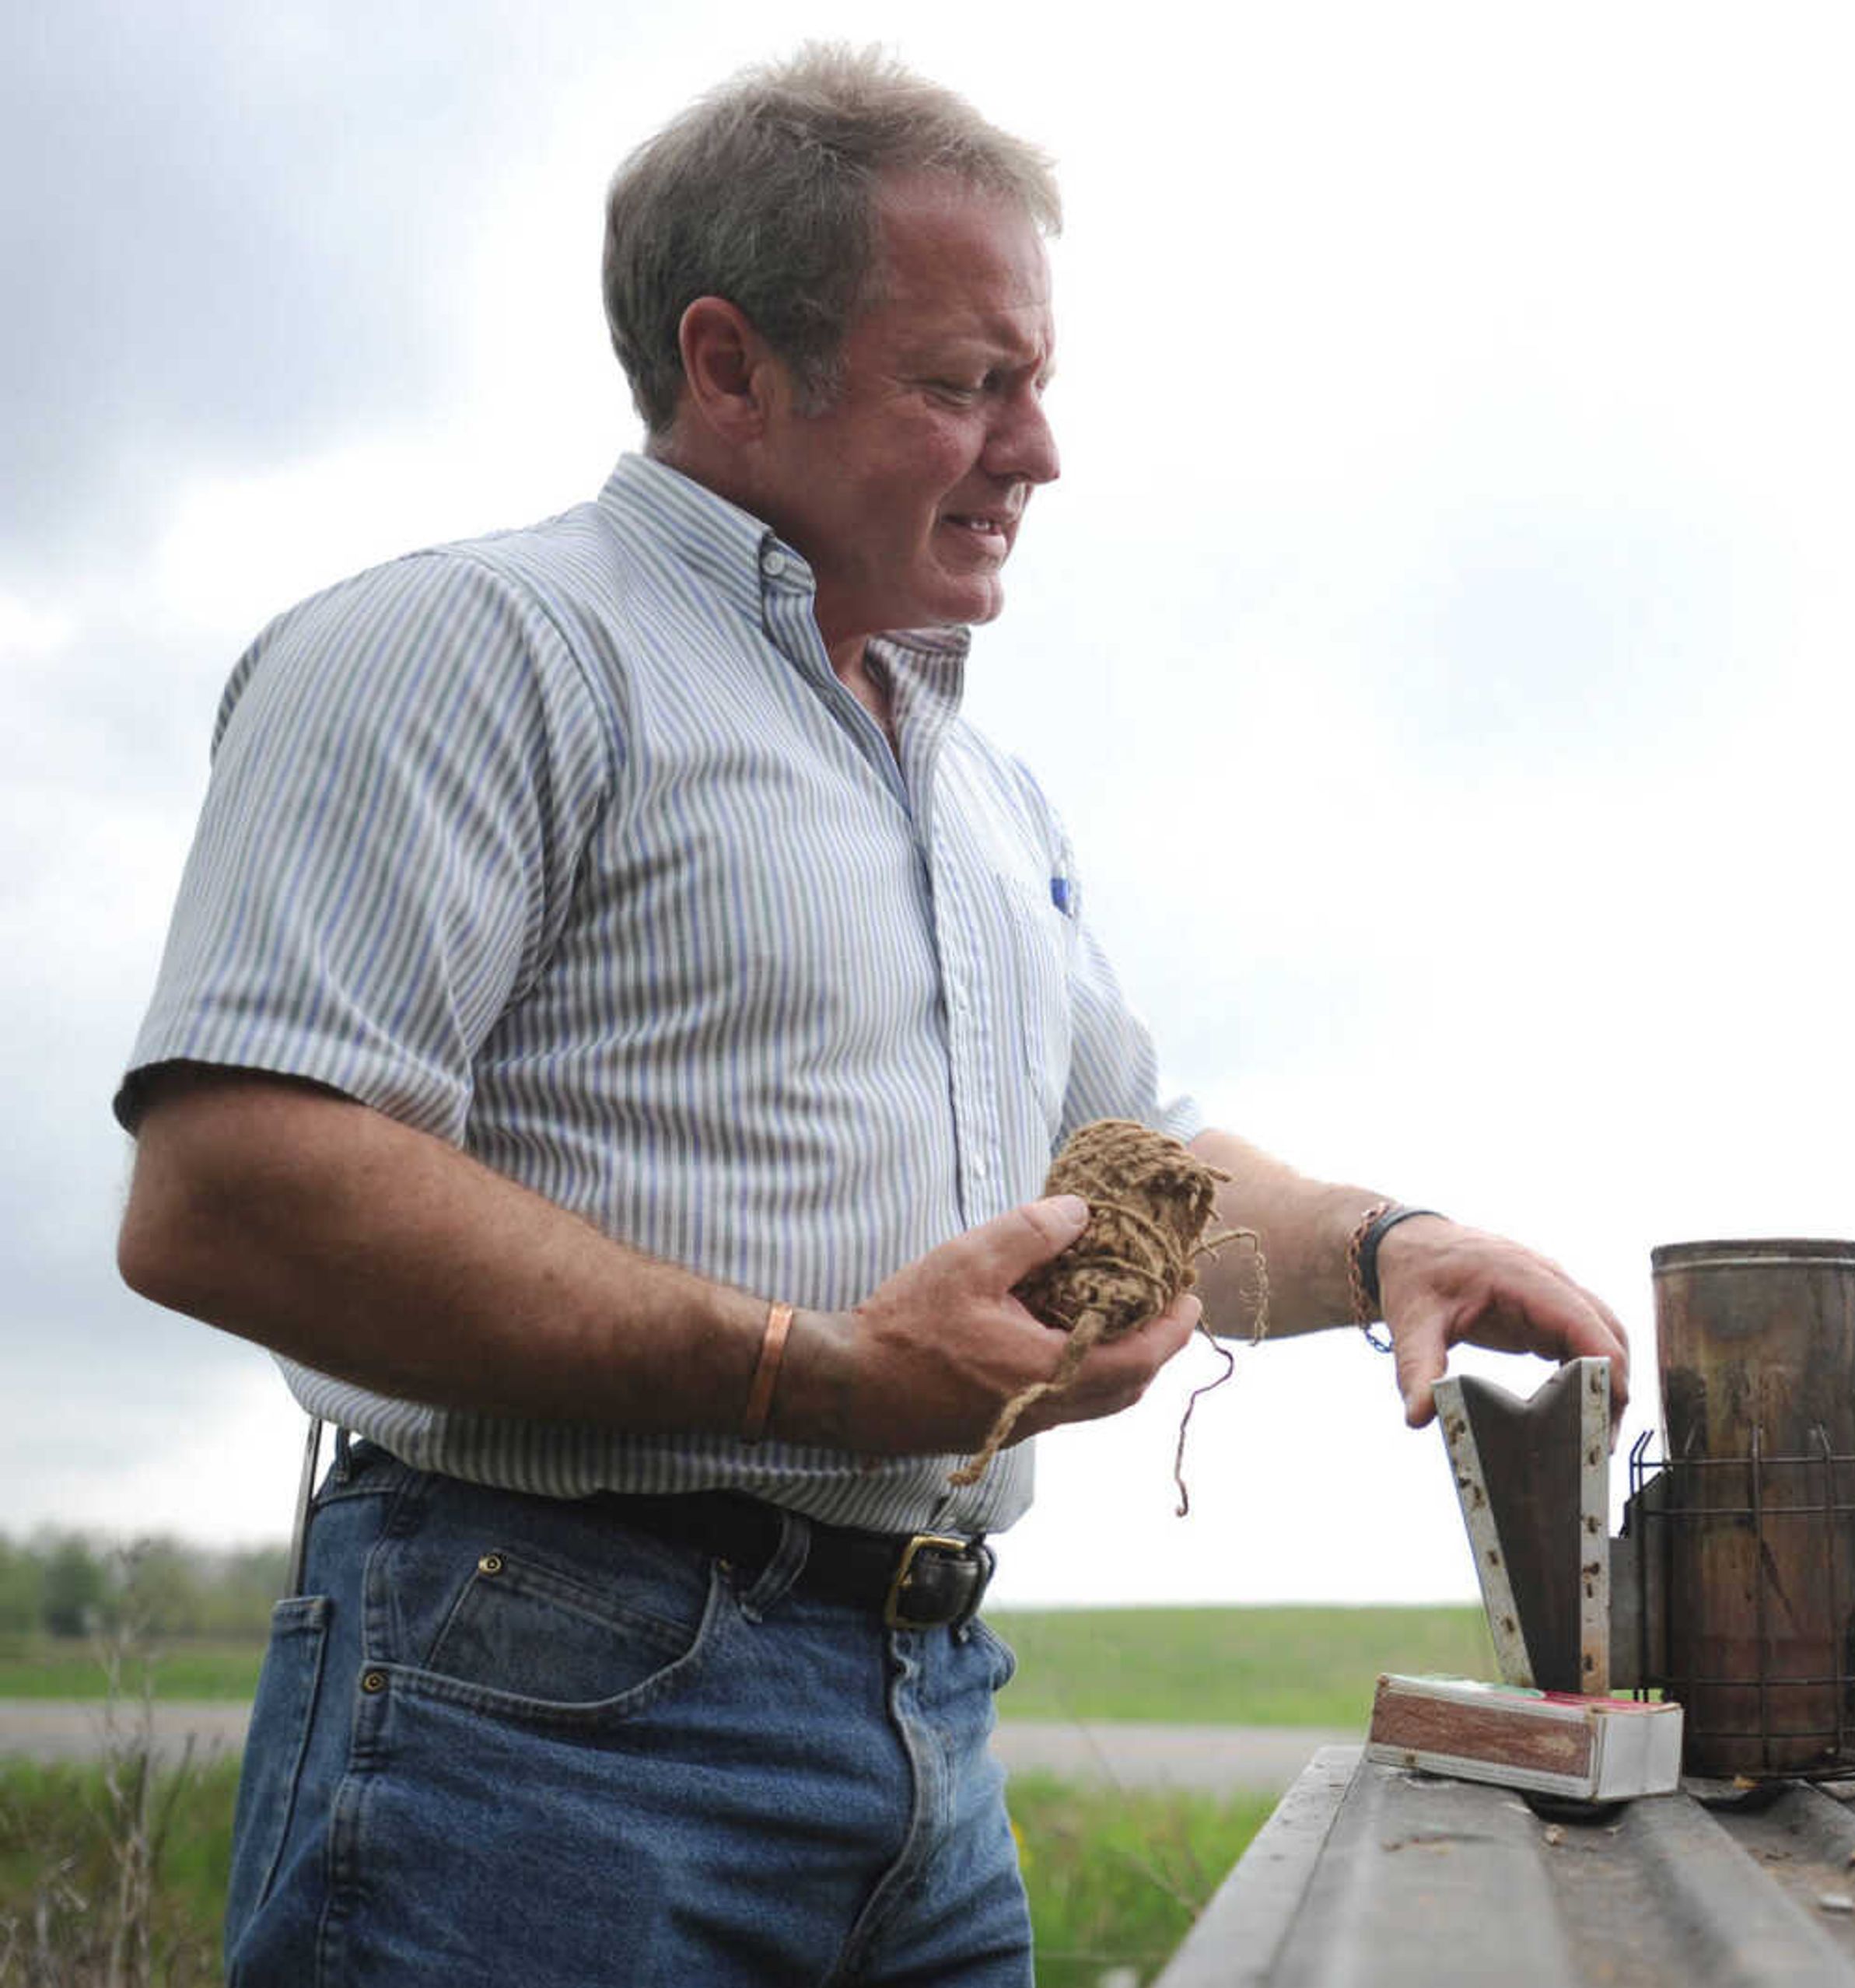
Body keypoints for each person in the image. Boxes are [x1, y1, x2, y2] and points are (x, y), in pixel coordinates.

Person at [113, 44, 1628, 1986]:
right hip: (535, 1715)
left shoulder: (975, 788)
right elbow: (231, 1191)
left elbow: (1132, 1181)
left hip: (928, 1711)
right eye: (962, 385)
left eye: (1036, 386)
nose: (1038, 452)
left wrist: (1392, 1244)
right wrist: (813, 1369)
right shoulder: (468, 649)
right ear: (731, 364)